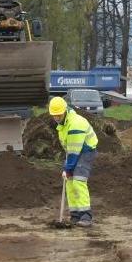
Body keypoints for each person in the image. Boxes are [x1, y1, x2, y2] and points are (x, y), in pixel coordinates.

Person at [49, 96, 99, 227]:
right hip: (74, 151)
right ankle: (75, 215)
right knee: (69, 182)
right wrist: (67, 170)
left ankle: (86, 216)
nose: (57, 118)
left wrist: (67, 168)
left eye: (59, 115)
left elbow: (74, 151)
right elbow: (69, 148)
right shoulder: (63, 124)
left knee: (78, 180)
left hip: (86, 151)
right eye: (54, 115)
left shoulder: (75, 124)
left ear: (65, 111)